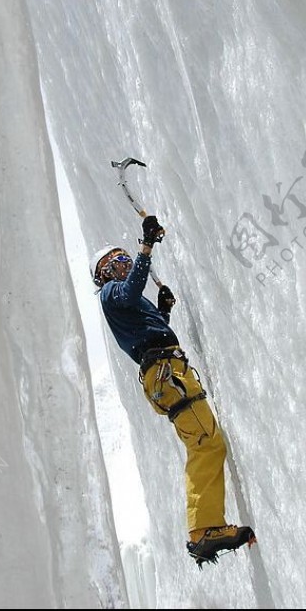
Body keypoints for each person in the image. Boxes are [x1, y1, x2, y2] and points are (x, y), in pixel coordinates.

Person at [91, 214, 256, 567]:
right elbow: (132, 288)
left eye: (123, 260)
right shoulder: (110, 293)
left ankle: (205, 528)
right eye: (115, 262)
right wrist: (145, 246)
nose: (122, 266)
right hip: (166, 373)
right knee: (206, 444)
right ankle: (204, 530)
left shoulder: (124, 303)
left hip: (167, 371)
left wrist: (162, 310)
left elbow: (150, 328)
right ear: (102, 273)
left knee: (204, 441)